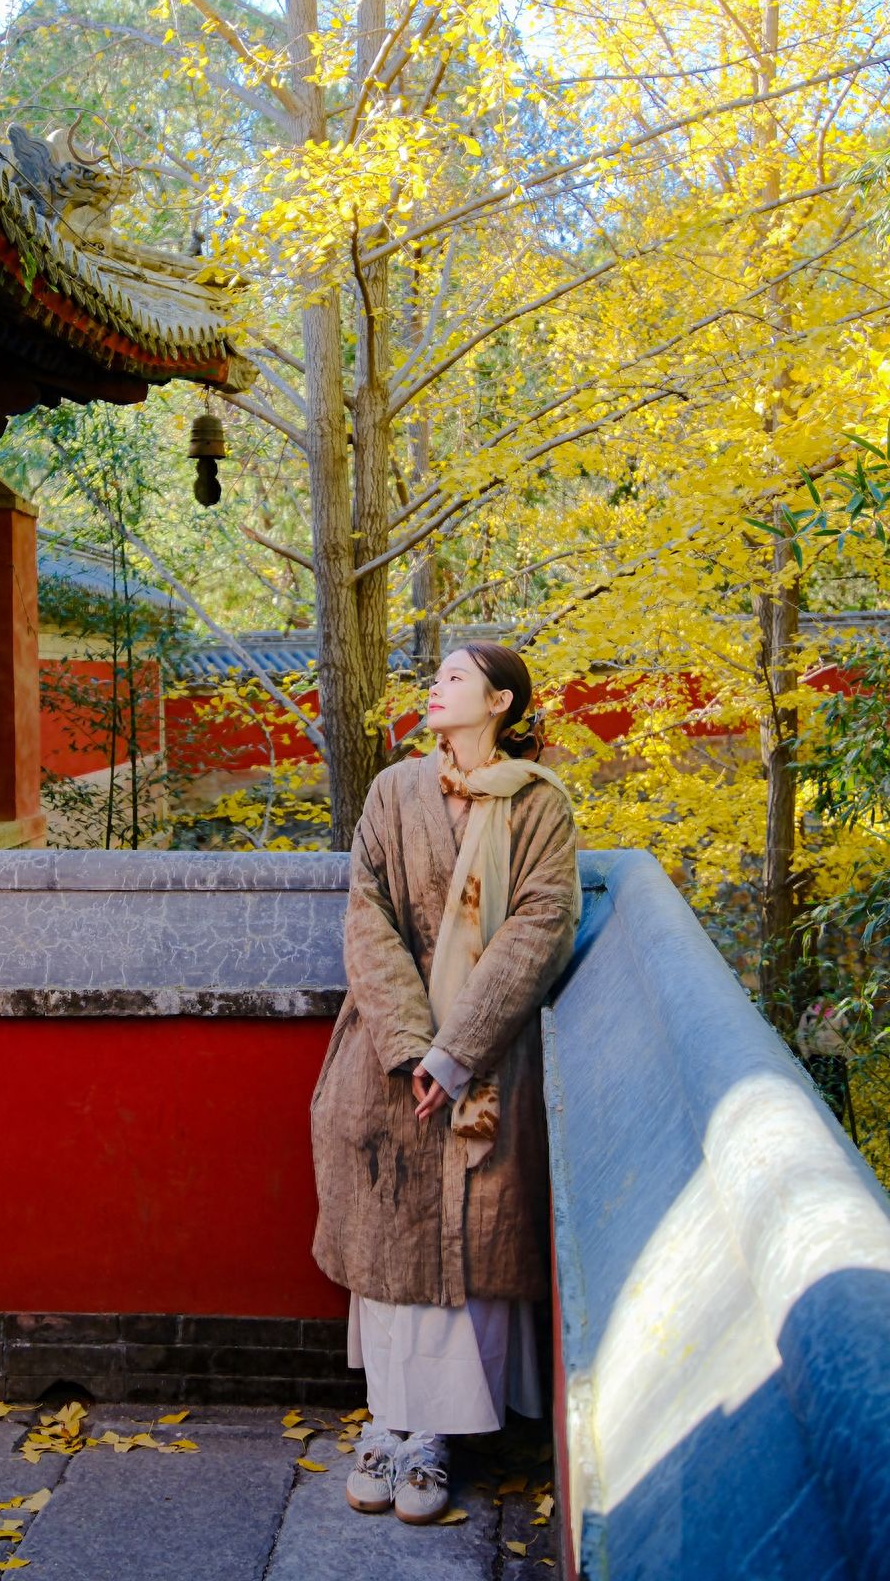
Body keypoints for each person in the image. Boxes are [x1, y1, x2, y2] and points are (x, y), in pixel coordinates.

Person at [310, 643, 581, 1525]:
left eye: (457, 677)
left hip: (486, 1060)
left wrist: (457, 1053)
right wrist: (410, 1046)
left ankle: (438, 1439)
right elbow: (368, 913)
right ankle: (388, 1423)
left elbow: (544, 922)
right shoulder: (392, 793)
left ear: (500, 701)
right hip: (387, 1057)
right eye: (438, 677)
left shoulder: (540, 804)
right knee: (389, 1251)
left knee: (472, 1243)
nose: (437, 686)